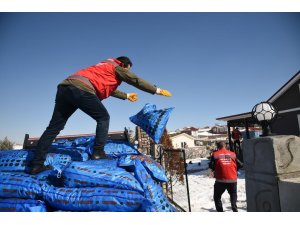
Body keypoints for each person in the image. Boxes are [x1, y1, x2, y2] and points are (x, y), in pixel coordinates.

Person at [28, 56, 172, 175]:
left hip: (65, 88)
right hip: (82, 89)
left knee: (53, 128)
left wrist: (126, 95)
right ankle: (98, 152)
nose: (126, 72)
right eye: (127, 69)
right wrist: (156, 90)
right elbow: (135, 80)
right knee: (103, 118)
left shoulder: (103, 67)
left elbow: (105, 88)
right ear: (123, 64)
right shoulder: (117, 67)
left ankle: (36, 164)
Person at [209, 141, 242, 212]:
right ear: (225, 146)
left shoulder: (215, 154)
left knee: (217, 197)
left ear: (218, 147)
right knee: (233, 194)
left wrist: (216, 169)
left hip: (221, 180)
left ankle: (220, 211)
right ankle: (234, 208)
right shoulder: (233, 154)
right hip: (233, 179)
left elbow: (211, 166)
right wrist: (234, 169)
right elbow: (240, 164)